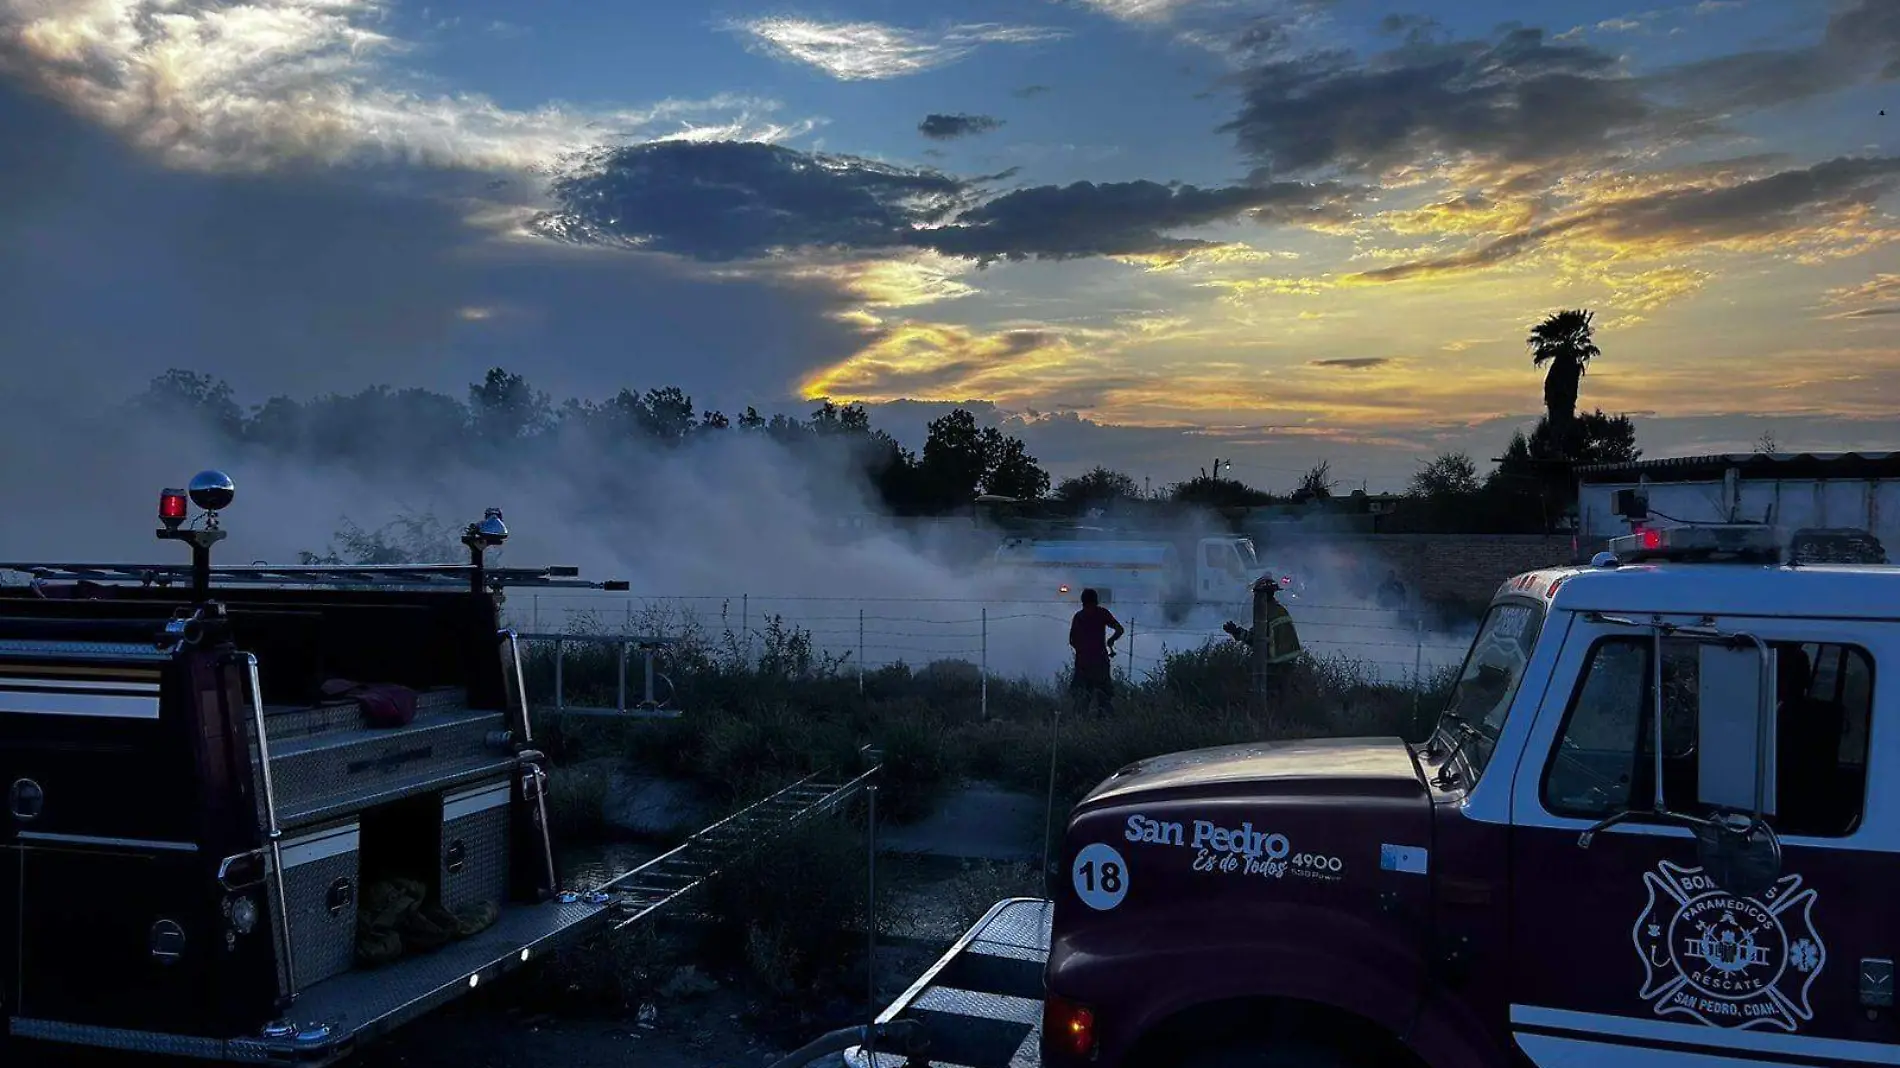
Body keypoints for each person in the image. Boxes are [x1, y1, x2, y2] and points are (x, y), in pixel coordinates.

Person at [1222, 576, 1302, 704]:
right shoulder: (1280, 609)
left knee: (1269, 695)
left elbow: (1256, 640)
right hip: (1289, 659)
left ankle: (1266, 718)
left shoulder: (1265, 613)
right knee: (1284, 695)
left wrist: (1236, 631)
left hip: (1274, 662)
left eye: (1256, 594)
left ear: (1262, 595)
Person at [1068, 588, 1124, 712]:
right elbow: (1120, 629)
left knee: (1082, 697)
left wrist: (1082, 650)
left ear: (1082, 601)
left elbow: (1072, 640)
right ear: (1096, 600)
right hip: (1100, 661)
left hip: (1083, 663)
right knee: (1104, 697)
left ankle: (1080, 724)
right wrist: (1111, 640)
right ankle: (1104, 723)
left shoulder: (1079, 616)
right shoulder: (1102, 613)